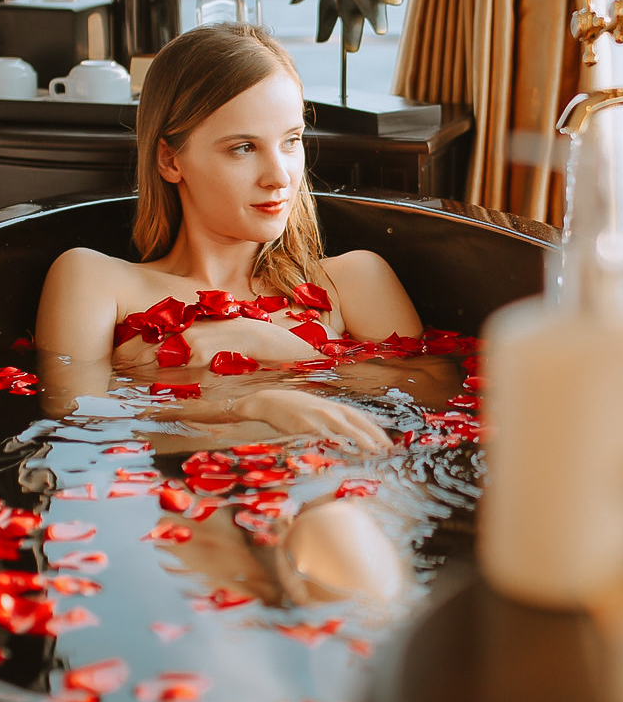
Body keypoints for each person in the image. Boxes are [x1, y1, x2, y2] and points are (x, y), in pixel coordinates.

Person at [35, 22, 421, 450]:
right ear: (170, 160)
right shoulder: (94, 280)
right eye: (244, 148)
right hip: (184, 508)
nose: (279, 177)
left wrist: (261, 340)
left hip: (347, 496)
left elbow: (427, 406)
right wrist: (250, 405)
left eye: (291, 141)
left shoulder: (353, 280)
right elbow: (75, 419)